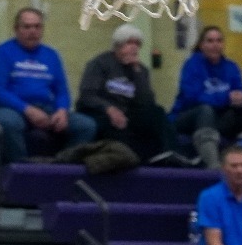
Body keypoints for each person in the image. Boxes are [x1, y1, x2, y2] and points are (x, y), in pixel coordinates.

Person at [0, 7, 94, 164]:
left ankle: (62, 167)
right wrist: (28, 110)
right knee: (8, 123)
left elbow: (62, 91)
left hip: (46, 108)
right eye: (27, 27)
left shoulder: (51, 55)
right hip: (11, 108)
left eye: (37, 26)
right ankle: (20, 171)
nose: (32, 31)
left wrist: (62, 110)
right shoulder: (2, 52)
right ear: (16, 29)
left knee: (86, 125)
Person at [76, 24, 177, 165]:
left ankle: (171, 154)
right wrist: (109, 109)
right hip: (101, 113)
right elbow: (87, 95)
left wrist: (137, 73)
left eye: (137, 44)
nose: (134, 47)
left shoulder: (140, 70)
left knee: (157, 113)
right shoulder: (100, 63)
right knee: (118, 130)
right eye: (129, 43)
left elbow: (147, 103)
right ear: (118, 45)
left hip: (128, 113)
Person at [172, 25, 242, 168]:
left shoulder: (231, 67)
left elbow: (240, 92)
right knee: (205, 109)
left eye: (219, 41)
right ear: (201, 45)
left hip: (219, 119)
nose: (215, 45)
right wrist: (226, 98)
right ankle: (213, 165)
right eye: (210, 41)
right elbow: (192, 98)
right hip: (189, 117)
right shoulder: (191, 65)